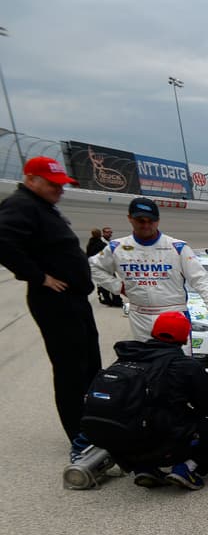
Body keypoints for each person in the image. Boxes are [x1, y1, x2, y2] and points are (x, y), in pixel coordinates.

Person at [0, 156, 103, 458]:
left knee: (90, 365)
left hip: (74, 300)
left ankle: (96, 422)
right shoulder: (21, 205)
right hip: (55, 302)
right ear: (31, 180)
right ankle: (80, 436)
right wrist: (39, 276)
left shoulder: (43, 207)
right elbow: (2, 241)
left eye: (62, 185)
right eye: (53, 184)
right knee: (71, 370)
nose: (60, 190)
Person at [82, 311, 208, 490]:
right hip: (166, 444)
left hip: (124, 442)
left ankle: (144, 468)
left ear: (153, 332)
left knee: (150, 414)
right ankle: (188, 468)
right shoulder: (186, 366)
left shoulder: (126, 357)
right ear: (184, 338)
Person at [90, 197, 208, 341]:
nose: (146, 225)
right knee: (145, 361)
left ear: (158, 220)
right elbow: (93, 266)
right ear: (130, 218)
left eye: (151, 221)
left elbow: (199, 278)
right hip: (140, 316)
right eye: (141, 221)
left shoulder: (177, 247)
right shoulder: (116, 247)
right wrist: (117, 286)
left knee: (176, 362)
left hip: (173, 314)